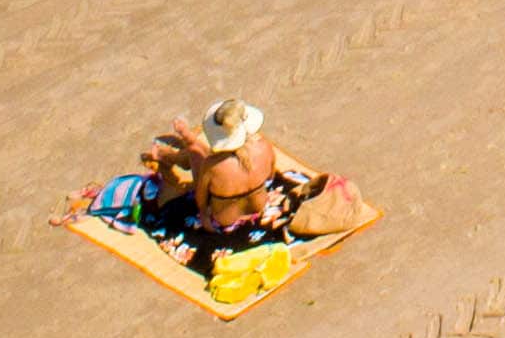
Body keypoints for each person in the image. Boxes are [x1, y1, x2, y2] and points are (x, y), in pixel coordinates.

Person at [141, 101, 376, 257]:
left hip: (224, 220)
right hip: (260, 207)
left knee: (197, 155)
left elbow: (201, 201)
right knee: (207, 159)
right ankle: (181, 146)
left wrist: (203, 217)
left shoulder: (214, 166)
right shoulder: (263, 147)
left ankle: (170, 152)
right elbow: (273, 175)